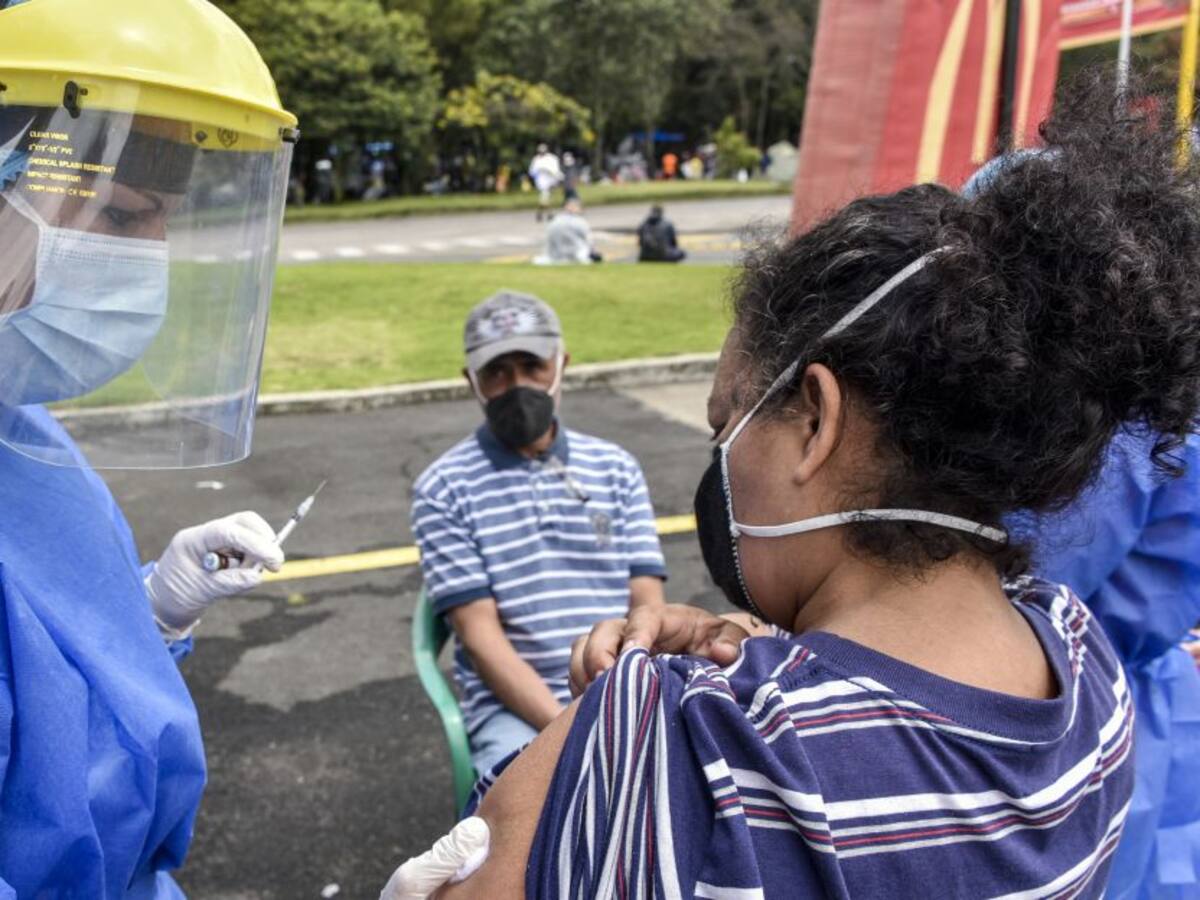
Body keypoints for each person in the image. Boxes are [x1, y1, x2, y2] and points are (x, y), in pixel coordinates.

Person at [383, 75, 1199, 898]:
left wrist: (644, 713)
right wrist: (760, 651)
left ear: (814, 420)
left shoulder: (686, 750)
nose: (719, 461)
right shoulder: (1085, 663)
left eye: (725, 426)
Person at [0, 0, 299, 895]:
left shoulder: (23, 427)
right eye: (125, 218)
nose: (151, 261)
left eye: (166, 221)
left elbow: (54, 696)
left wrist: (152, 613)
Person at [966, 152, 1200, 900]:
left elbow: (1012, 588)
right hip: (1145, 712)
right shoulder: (1159, 388)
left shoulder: (1098, 423)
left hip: (1063, 723)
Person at [409, 291, 667, 777]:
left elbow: (647, 603)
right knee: (527, 807)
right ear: (471, 381)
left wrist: (625, 697)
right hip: (514, 709)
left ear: (561, 364)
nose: (517, 386)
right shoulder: (443, 489)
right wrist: (570, 729)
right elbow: (481, 638)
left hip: (619, 684)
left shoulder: (616, 468)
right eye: (497, 372)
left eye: (533, 366)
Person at [538, 198, 602, 264]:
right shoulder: (580, 222)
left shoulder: (555, 221)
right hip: (577, 255)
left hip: (554, 256)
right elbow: (589, 241)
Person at [528, 143, 563, 222]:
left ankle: (542, 213)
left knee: (546, 197)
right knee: (545, 196)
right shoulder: (536, 159)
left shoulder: (551, 158)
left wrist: (554, 177)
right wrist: (538, 172)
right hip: (541, 182)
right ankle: (547, 213)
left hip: (551, 180)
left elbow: (555, 170)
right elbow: (532, 171)